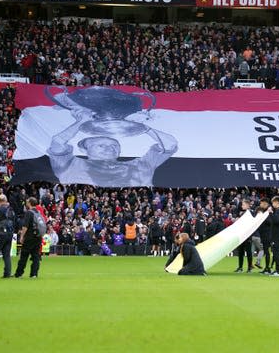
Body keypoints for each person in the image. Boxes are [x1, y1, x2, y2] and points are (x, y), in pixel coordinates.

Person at [47, 108, 177, 187]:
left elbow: (170, 145)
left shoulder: (140, 166)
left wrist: (144, 128)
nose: (109, 148)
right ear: (84, 149)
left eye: (115, 145)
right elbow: (57, 143)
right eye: (101, 145)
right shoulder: (71, 166)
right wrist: (80, 122)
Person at [15, 197, 43, 279]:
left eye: (27, 202)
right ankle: (34, 274)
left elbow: (25, 226)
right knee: (36, 256)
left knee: (24, 256)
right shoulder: (38, 212)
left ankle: (19, 273)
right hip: (38, 237)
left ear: (30, 203)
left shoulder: (29, 213)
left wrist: (22, 236)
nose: (26, 203)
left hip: (29, 237)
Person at [234, 199, 254, 273]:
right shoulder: (242, 213)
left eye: (243, 204)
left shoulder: (251, 213)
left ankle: (249, 268)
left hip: (248, 235)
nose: (242, 206)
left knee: (248, 252)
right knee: (240, 252)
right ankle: (240, 267)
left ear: (248, 205)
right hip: (241, 235)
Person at [257, 199, 272, 274]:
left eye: (261, 203)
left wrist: (263, 216)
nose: (260, 204)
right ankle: (267, 268)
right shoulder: (265, 212)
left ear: (265, 204)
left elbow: (270, 222)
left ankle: (268, 268)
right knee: (266, 252)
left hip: (267, 235)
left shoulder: (269, 212)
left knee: (267, 252)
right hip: (263, 235)